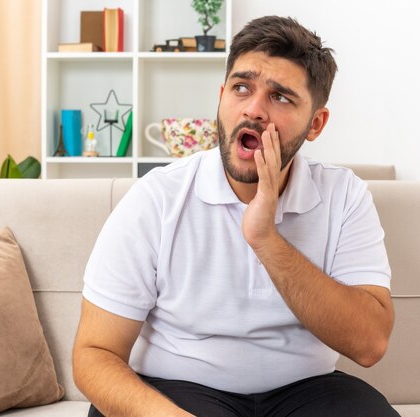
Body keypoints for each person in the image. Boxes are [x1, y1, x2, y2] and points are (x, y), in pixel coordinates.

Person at [73, 15, 400, 417]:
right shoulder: (157, 198)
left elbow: (370, 344)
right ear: (222, 95)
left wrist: (266, 239)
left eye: (280, 97)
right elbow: (94, 354)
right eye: (242, 88)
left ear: (316, 123)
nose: (254, 110)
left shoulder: (345, 196)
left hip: (305, 392)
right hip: (178, 392)